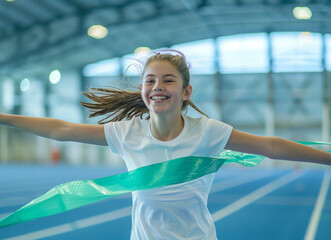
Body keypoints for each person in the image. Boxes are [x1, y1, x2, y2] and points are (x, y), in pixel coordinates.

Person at [0, 50, 330, 240]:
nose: (158, 86)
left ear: (186, 92)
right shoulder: (126, 133)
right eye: (150, 81)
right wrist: (4, 117)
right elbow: (61, 129)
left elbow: (270, 145)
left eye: (168, 80)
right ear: (143, 91)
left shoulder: (208, 132)